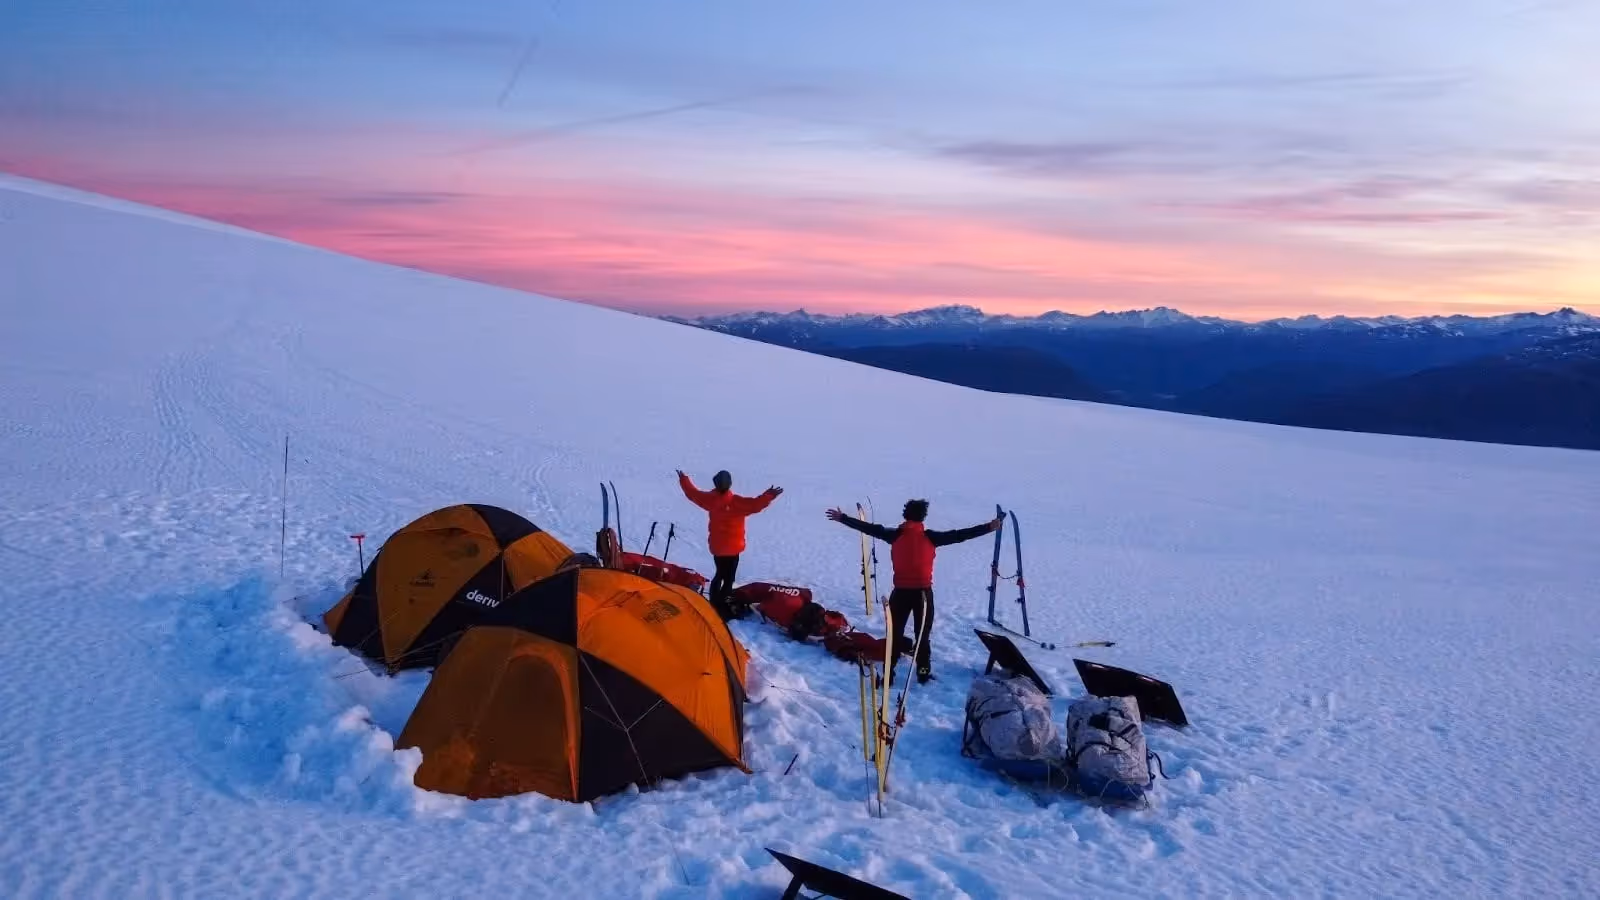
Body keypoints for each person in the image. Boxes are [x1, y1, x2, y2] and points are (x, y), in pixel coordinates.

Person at [826, 500, 1002, 683]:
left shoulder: (895, 535)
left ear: (905, 515)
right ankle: (923, 673)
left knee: (894, 636)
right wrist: (989, 527)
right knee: (922, 637)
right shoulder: (931, 537)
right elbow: (960, 535)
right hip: (923, 595)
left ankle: (888, 675)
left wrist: (843, 518)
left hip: (900, 594)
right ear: (923, 517)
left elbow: (869, 528)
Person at [678, 469, 783, 619]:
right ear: (730, 484)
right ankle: (722, 607)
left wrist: (684, 479)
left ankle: (714, 602)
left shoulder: (709, 500)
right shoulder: (737, 503)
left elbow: (693, 494)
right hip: (733, 549)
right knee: (728, 578)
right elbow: (756, 505)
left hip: (717, 547)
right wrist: (770, 495)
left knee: (719, 574)